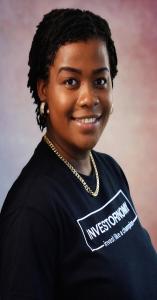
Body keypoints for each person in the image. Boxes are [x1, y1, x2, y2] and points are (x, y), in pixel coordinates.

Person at [0, 8, 157, 300]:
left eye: (100, 81)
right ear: (44, 89)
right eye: (71, 82)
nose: (89, 98)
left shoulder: (109, 170)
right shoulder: (31, 212)